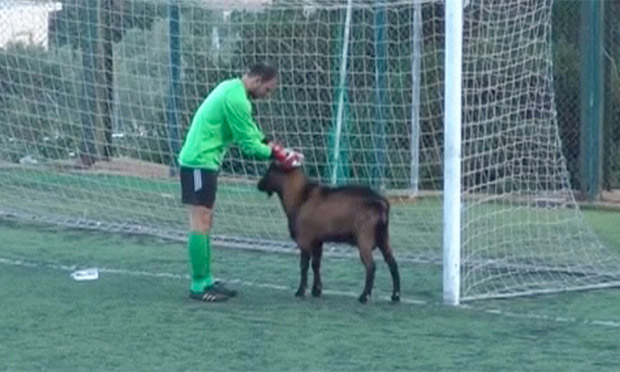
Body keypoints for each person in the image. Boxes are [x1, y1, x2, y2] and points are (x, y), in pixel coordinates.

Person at [178, 63, 302, 302]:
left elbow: (250, 131)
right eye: (268, 89)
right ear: (257, 80)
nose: (268, 95)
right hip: (197, 163)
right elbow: (248, 145)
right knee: (199, 221)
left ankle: (206, 280)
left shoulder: (233, 90)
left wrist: (274, 147)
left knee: (205, 221)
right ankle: (198, 285)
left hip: (205, 162)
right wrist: (279, 155)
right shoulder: (237, 99)